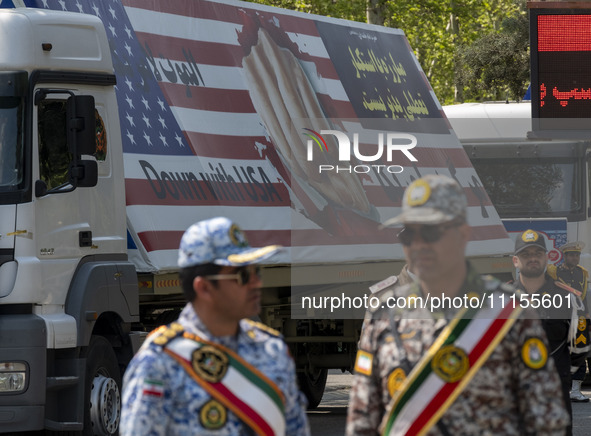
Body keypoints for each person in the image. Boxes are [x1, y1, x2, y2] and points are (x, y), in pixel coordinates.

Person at [346, 174, 569, 436]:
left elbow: (546, 420)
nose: (419, 244)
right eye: (409, 234)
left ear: (462, 234)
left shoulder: (510, 312)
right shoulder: (383, 312)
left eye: (431, 231)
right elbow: (363, 419)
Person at [121, 217, 310, 435]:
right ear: (204, 288)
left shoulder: (272, 349)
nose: (256, 282)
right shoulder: (160, 361)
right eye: (243, 275)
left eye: (257, 271)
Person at [547, 241, 591, 402]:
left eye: (577, 255)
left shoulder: (581, 273)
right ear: (565, 256)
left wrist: (586, 317)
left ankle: (575, 390)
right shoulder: (554, 272)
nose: (575, 257)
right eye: (572, 255)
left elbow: (583, 297)